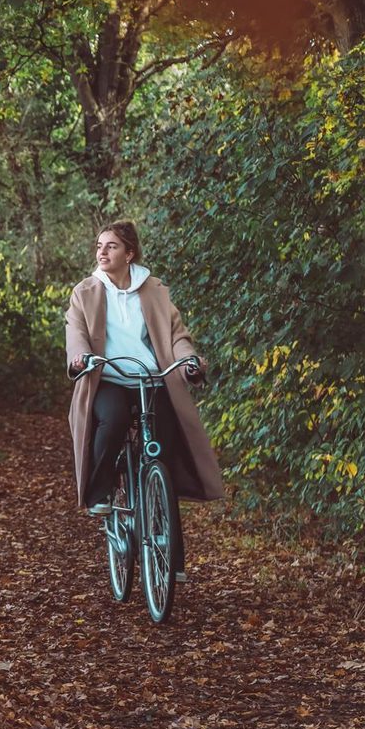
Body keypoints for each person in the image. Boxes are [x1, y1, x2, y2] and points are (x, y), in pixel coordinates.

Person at [65, 220, 224, 581]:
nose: (102, 252)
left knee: (162, 458)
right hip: (108, 376)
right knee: (115, 419)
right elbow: (75, 331)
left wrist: (188, 360)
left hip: (153, 379)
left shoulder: (153, 290)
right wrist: (79, 356)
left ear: (130, 253)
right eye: (99, 246)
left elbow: (176, 335)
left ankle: (173, 560)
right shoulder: (86, 291)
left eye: (111, 246)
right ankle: (101, 490)